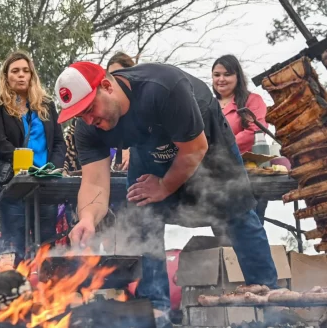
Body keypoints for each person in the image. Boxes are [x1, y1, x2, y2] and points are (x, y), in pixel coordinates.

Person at [55, 62, 278, 326]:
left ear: (107, 86)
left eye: (90, 109)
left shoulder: (163, 88)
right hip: (149, 149)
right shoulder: (88, 128)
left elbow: (195, 149)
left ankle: (271, 305)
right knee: (141, 213)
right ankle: (156, 313)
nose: (89, 120)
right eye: (81, 115)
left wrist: (164, 186)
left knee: (238, 212)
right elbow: (94, 183)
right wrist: (88, 219)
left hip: (204, 140)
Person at [0, 51, 66, 264]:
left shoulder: (46, 105)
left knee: (47, 243)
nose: (21, 75)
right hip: (13, 183)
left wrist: (51, 168)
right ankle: (18, 291)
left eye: (25, 70)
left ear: (32, 75)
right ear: (6, 76)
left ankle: (49, 292)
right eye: (15, 71)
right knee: (16, 245)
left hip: (45, 184)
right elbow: (0, 144)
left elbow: (59, 142)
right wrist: (28, 166)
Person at [211, 55, 270, 223]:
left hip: (248, 174)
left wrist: (220, 150)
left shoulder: (252, 100)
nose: (221, 79)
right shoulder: (208, 104)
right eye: (216, 75)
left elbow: (255, 131)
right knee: (221, 229)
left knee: (248, 225)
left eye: (227, 74)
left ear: (238, 76)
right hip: (214, 176)